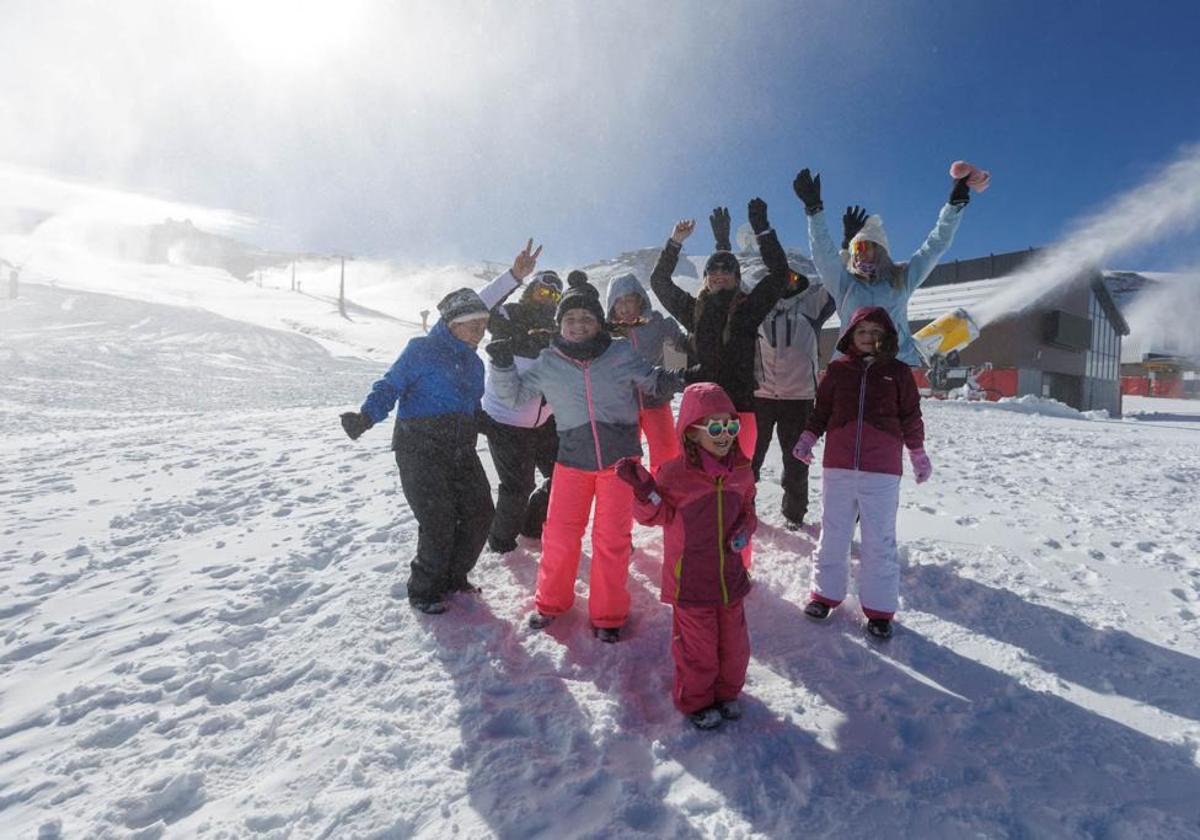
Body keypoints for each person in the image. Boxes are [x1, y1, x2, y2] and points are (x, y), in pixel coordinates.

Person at [340, 240, 543, 614]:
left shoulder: (474, 363)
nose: (480, 332)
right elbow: (390, 386)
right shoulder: (421, 350)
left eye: (483, 325)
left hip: (460, 447)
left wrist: (490, 426)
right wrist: (366, 416)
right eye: (472, 326)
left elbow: (469, 406)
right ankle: (424, 590)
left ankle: (454, 576)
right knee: (439, 520)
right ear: (451, 324)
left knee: (481, 512)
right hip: (420, 449)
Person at [487, 274, 687, 642]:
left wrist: (676, 378)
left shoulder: (621, 352)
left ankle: (609, 614)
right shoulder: (548, 361)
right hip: (570, 463)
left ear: (599, 322)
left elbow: (651, 380)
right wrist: (502, 366)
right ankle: (550, 603)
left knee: (611, 539)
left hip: (620, 466)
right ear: (560, 324)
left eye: (586, 318)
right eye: (570, 319)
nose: (578, 325)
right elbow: (515, 397)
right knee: (560, 536)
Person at [615, 382, 756, 730]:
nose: (725, 435)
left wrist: (744, 531)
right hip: (691, 580)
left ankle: (727, 693)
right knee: (699, 650)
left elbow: (748, 511)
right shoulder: (675, 475)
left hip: (730, 578)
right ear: (691, 432)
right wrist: (644, 491)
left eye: (731, 426)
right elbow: (654, 516)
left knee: (735, 647)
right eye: (715, 427)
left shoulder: (741, 470)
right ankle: (696, 701)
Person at [792, 306, 931, 639]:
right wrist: (808, 437)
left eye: (876, 332)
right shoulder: (838, 371)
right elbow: (821, 411)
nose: (869, 337)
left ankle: (880, 610)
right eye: (862, 331)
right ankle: (824, 595)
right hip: (838, 466)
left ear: (887, 337)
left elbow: (911, 416)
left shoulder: (898, 372)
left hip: (881, 471)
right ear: (851, 334)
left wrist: (917, 453)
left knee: (879, 539)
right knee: (833, 532)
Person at [649, 199, 797, 463]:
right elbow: (659, 282)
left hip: (740, 409)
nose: (720, 273)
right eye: (713, 269)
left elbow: (779, 275)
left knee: (740, 481)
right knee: (695, 483)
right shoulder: (693, 311)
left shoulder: (749, 309)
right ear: (705, 278)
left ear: (737, 278)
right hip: (700, 409)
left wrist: (762, 229)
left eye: (727, 269)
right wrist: (675, 242)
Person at [793, 166, 975, 366]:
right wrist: (814, 211)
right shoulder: (845, 285)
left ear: (879, 250)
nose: (859, 252)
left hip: (896, 366)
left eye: (864, 245)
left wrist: (954, 206)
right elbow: (823, 254)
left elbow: (934, 246)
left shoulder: (900, 280)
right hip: (850, 369)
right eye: (855, 248)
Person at [481, 268, 563, 553]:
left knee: (565, 474)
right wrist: (514, 275)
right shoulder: (508, 317)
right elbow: (479, 306)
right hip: (506, 421)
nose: (547, 298)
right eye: (542, 290)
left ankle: (531, 525)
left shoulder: (557, 330)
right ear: (531, 289)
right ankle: (501, 542)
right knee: (517, 488)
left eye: (554, 295)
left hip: (546, 421)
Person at [752, 272, 835, 530]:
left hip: (798, 398)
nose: (784, 281)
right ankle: (743, 507)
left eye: (790, 276)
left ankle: (794, 515)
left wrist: (849, 242)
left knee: (796, 460)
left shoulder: (812, 305)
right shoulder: (756, 307)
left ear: (799, 280)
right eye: (778, 276)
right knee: (750, 459)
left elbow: (837, 279)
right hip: (760, 396)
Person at [605, 272, 689, 470]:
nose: (624, 308)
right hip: (622, 407)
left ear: (640, 300)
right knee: (625, 460)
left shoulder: (658, 324)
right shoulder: (605, 334)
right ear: (611, 306)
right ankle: (630, 497)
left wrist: (671, 383)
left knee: (667, 453)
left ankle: (663, 496)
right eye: (618, 302)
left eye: (629, 300)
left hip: (656, 400)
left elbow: (677, 361)